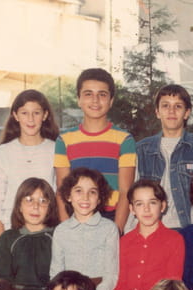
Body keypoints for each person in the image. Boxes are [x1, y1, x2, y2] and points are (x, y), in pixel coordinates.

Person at [0, 89, 59, 279]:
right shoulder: (2, 153)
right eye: (25, 113)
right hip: (10, 234)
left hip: (45, 239)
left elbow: (59, 196)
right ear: (15, 115)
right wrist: (6, 248)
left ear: (45, 115)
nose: (31, 119)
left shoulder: (56, 149)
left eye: (36, 112)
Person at [54, 68, 136, 231]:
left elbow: (125, 191)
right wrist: (67, 229)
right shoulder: (64, 140)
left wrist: (116, 231)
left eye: (102, 94)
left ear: (111, 101)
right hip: (76, 217)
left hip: (111, 217)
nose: (95, 100)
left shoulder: (124, 140)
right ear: (78, 99)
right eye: (88, 94)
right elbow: (62, 191)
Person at [107, 179, 185, 290]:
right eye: (139, 204)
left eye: (152, 202)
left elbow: (172, 282)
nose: (146, 209)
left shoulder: (174, 239)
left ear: (162, 206)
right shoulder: (124, 242)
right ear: (132, 209)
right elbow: (119, 282)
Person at [49, 167, 119, 290]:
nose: (85, 197)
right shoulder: (61, 230)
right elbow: (56, 272)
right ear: (68, 196)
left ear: (99, 198)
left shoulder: (109, 228)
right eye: (78, 191)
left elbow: (111, 274)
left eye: (92, 192)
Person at [135, 84, 193, 229]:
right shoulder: (142, 149)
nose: (171, 111)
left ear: (187, 113)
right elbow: (134, 195)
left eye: (178, 106)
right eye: (165, 106)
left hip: (189, 227)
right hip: (153, 228)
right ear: (157, 112)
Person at [0, 178, 59, 290]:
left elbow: (59, 280)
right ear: (19, 206)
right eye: (29, 199)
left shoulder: (57, 237)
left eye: (43, 201)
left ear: (50, 208)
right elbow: (3, 279)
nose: (36, 206)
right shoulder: (7, 238)